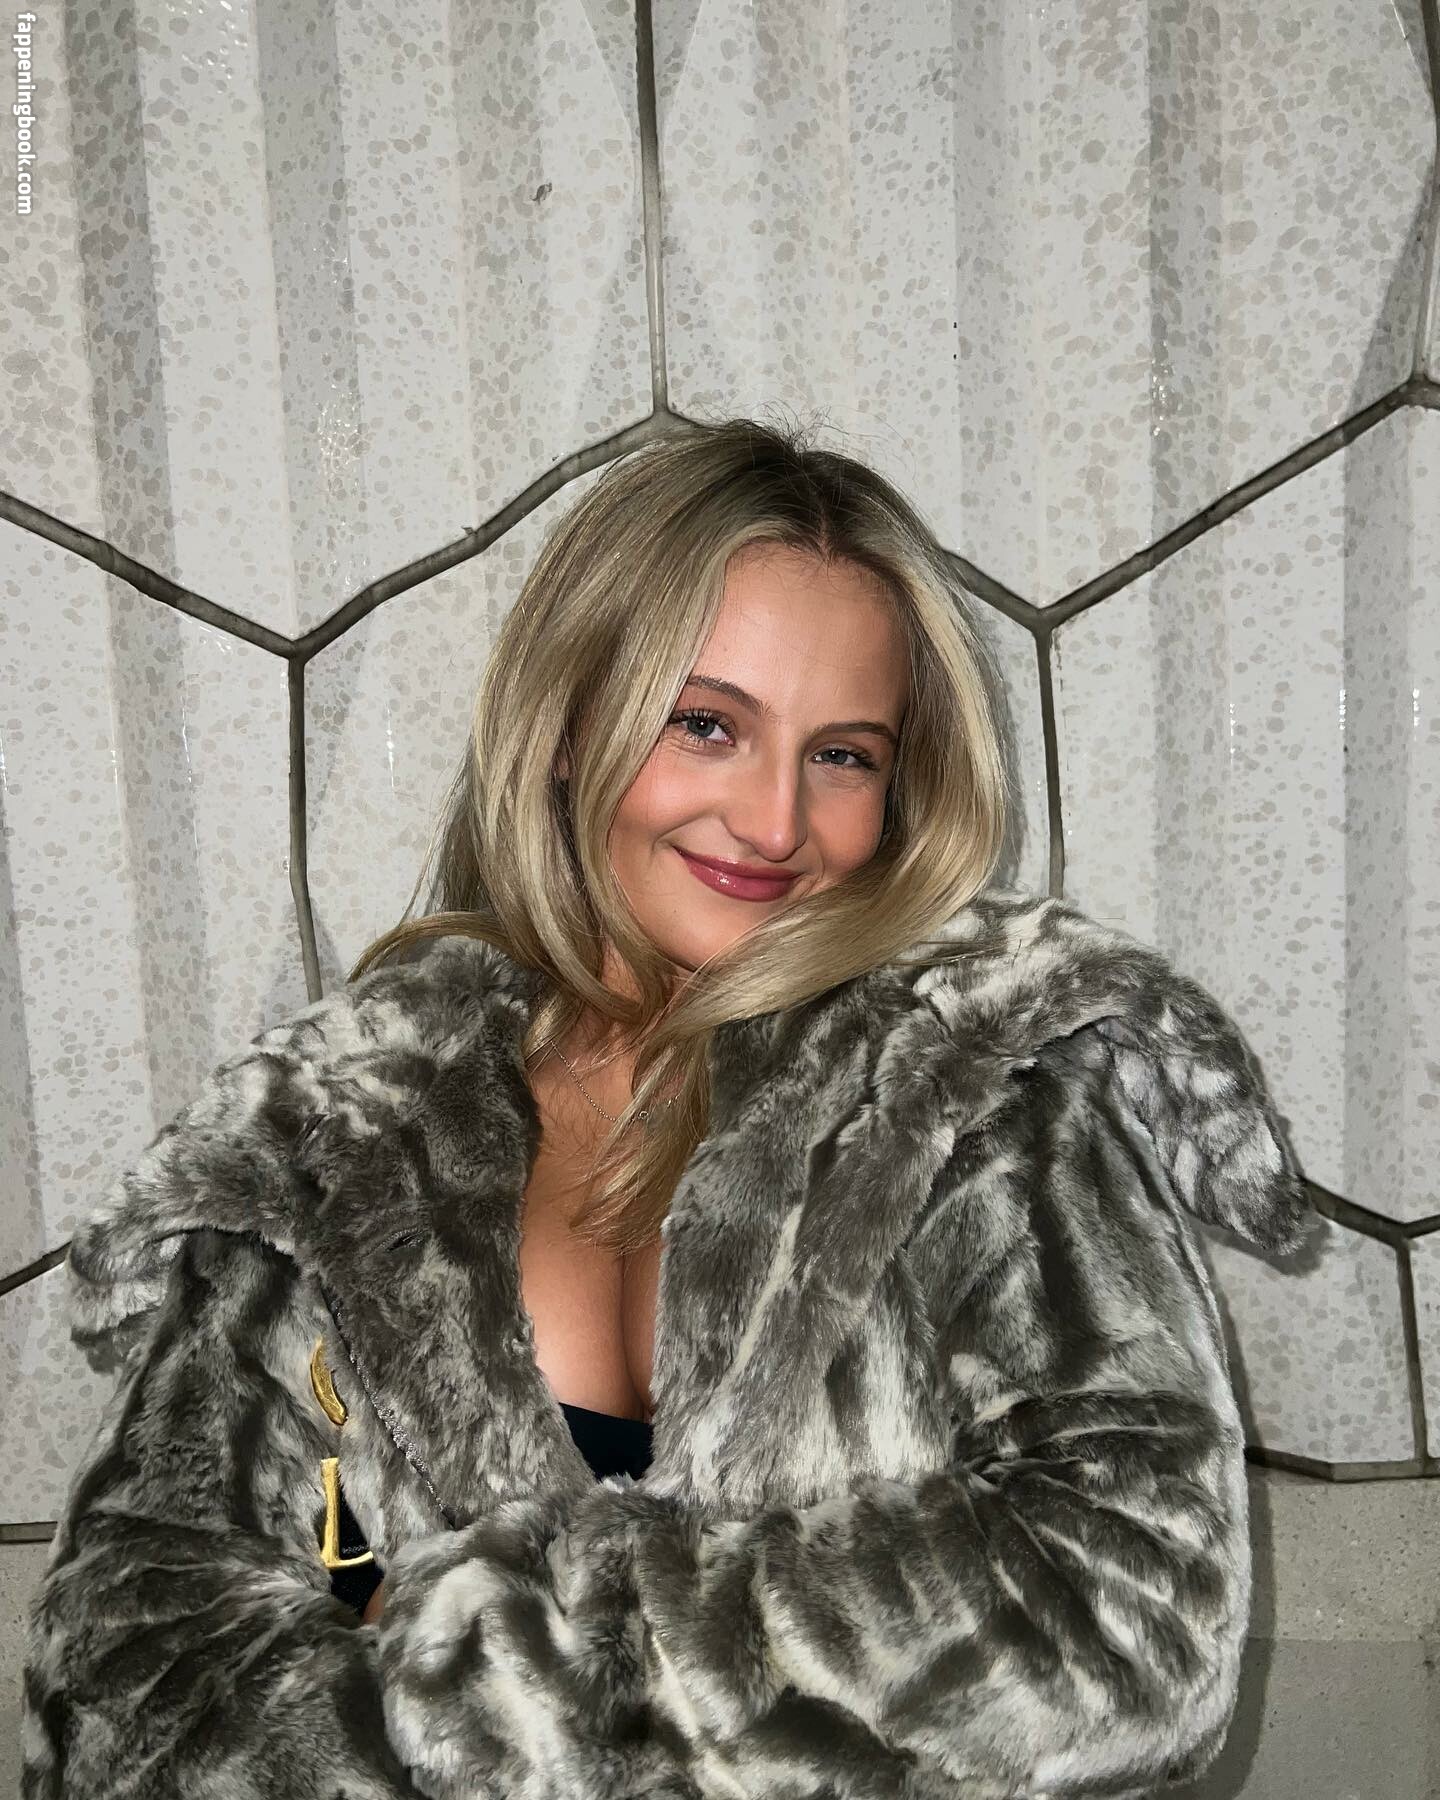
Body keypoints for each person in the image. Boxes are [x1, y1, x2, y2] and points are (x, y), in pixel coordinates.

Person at [19, 416, 1313, 1800]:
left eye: (844, 755)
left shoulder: (976, 1081)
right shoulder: (341, 1132)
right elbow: (125, 1682)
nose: (774, 823)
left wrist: (483, 1669)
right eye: (708, 726)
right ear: (567, 727)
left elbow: (1132, 1612)